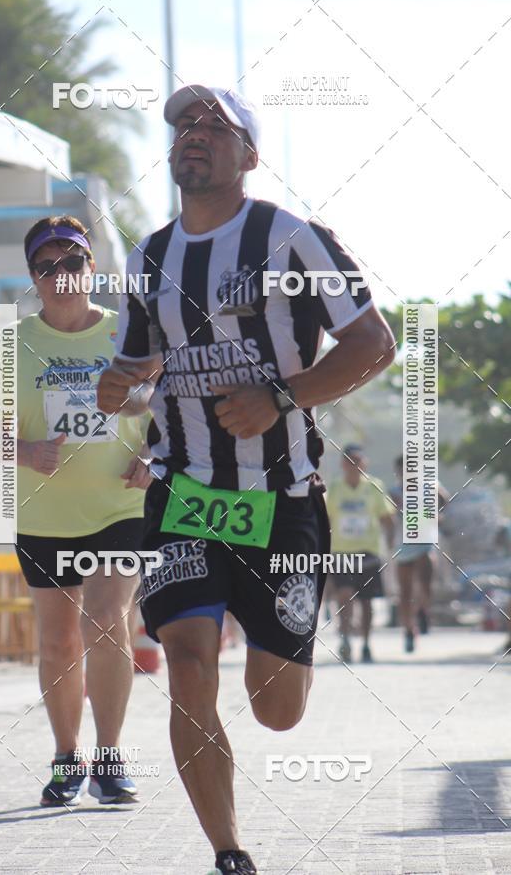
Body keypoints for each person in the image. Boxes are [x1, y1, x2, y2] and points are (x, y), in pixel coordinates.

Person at [97, 85, 396, 875]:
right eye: (182, 126)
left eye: (213, 126)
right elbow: (136, 369)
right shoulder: (149, 257)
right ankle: (229, 853)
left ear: (250, 155)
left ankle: (284, 651)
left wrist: (281, 398)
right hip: (182, 495)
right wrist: (117, 386)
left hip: (283, 502)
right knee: (189, 665)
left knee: (277, 711)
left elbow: (374, 343)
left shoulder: (293, 238)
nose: (192, 136)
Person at [0, 215, 152, 807]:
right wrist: (24, 449)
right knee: (56, 643)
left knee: (105, 620)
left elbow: (173, 407)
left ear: (91, 269)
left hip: (121, 507)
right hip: (44, 515)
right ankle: (66, 755)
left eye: (72, 262)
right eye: (47, 267)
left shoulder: (128, 331)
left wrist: (155, 454)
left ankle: (110, 755)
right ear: (33, 277)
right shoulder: (8, 339)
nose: (61, 276)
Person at [325, 444, 395, 663]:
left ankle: (365, 643)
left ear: (365, 463)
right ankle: (345, 638)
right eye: (350, 460)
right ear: (343, 464)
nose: (355, 465)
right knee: (344, 596)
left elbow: (387, 519)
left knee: (366, 602)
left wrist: (389, 546)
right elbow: (327, 520)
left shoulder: (375, 486)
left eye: (359, 461)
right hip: (341, 553)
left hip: (369, 552)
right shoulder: (334, 488)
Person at [390, 455, 449, 652]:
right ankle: (408, 629)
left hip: (425, 544)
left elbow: (444, 501)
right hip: (403, 546)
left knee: (426, 587)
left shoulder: (429, 485)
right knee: (404, 592)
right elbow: (389, 516)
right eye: (401, 471)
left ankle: (422, 610)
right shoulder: (394, 491)